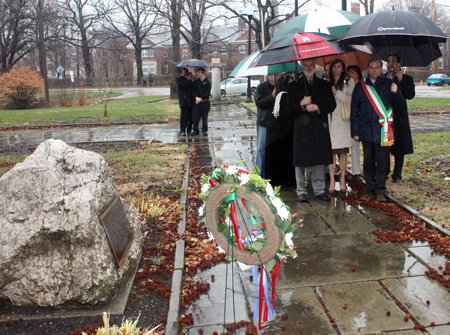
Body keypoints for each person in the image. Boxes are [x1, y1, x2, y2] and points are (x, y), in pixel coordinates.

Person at [350, 56, 404, 202]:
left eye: (377, 68)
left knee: (382, 162)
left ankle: (380, 190)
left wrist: (396, 92)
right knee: (368, 162)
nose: (374, 70)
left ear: (381, 69)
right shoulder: (361, 86)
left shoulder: (389, 84)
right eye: (371, 68)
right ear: (368, 69)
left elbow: (399, 106)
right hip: (366, 130)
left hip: (384, 131)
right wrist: (355, 131)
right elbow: (354, 110)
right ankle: (369, 189)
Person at [287, 58, 336, 202]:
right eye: (306, 65)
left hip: (319, 128)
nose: (309, 67)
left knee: (319, 159)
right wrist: (301, 104)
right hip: (301, 130)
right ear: (302, 66)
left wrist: (318, 107)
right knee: (300, 161)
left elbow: (332, 105)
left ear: (315, 66)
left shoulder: (324, 85)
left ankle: (319, 190)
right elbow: (289, 109)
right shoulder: (294, 86)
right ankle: (301, 190)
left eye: (311, 64)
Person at [384, 54, 415, 183]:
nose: (390, 64)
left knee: (399, 147)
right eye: (388, 61)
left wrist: (400, 80)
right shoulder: (381, 79)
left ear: (398, 64)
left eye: (393, 61)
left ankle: (397, 174)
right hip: (385, 117)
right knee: (385, 146)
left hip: (399, 117)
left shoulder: (406, 79)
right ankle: (384, 171)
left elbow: (410, 95)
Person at [328, 59, 354, 193]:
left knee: (342, 152)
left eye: (339, 66)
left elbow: (350, 100)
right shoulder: (327, 82)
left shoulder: (349, 83)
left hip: (343, 122)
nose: (336, 69)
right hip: (330, 120)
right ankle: (332, 180)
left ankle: (343, 178)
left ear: (343, 69)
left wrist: (336, 92)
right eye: (334, 66)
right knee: (331, 153)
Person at [265, 74, 295, 190]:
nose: (292, 85)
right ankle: (280, 183)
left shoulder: (281, 95)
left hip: (280, 131)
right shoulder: (285, 96)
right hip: (278, 133)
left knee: (282, 157)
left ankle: (284, 181)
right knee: (279, 159)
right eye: (290, 83)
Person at [254, 73, 279, 178]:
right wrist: (272, 96)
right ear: (269, 76)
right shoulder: (261, 87)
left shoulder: (281, 87)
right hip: (264, 123)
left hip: (277, 123)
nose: (277, 78)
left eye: (278, 76)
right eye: (275, 76)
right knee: (261, 149)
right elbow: (259, 102)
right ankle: (259, 174)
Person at [347, 64, 363, 178]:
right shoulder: (347, 84)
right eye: (349, 72)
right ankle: (356, 171)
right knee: (355, 144)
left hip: (364, 116)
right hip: (353, 115)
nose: (351, 74)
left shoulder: (364, 83)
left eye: (353, 72)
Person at [191, 67, 211, 136]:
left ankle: (204, 130)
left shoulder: (207, 82)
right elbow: (193, 91)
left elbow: (207, 92)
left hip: (204, 102)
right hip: (197, 102)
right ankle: (195, 129)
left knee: (204, 117)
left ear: (203, 73)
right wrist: (196, 97)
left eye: (199, 73)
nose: (198, 74)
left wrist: (201, 98)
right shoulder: (196, 82)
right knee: (195, 117)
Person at [177, 68, 194, 136]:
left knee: (190, 117)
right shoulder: (180, 79)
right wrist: (190, 81)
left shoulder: (189, 79)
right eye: (185, 71)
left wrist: (191, 78)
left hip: (190, 101)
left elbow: (193, 84)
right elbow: (184, 85)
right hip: (184, 101)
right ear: (182, 72)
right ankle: (182, 130)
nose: (186, 73)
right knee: (184, 116)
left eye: (187, 71)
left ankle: (189, 130)